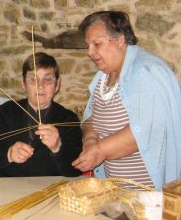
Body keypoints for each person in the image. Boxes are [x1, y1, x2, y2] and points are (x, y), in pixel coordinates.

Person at [72, 11, 181, 190]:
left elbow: (146, 129)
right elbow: (91, 117)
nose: (90, 52)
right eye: (88, 45)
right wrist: (91, 140)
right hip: (116, 190)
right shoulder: (102, 76)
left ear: (120, 40)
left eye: (96, 44)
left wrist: (100, 151)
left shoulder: (145, 71)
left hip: (146, 194)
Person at [0, 52, 83, 177]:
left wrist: (57, 147)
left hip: (49, 190)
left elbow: (75, 170)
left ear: (57, 84)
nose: (40, 86)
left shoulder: (68, 119)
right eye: (33, 80)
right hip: (6, 187)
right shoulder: (6, 112)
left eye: (48, 79)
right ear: (23, 83)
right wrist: (9, 154)